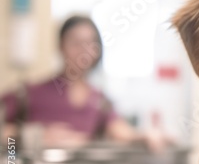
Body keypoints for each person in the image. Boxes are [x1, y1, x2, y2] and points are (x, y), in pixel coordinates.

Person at [1, 15, 164, 152]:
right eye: (76, 43)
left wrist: (148, 135)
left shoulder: (101, 102)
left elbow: (122, 132)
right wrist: (34, 136)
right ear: (60, 46)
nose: (83, 51)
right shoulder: (29, 93)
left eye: (90, 44)